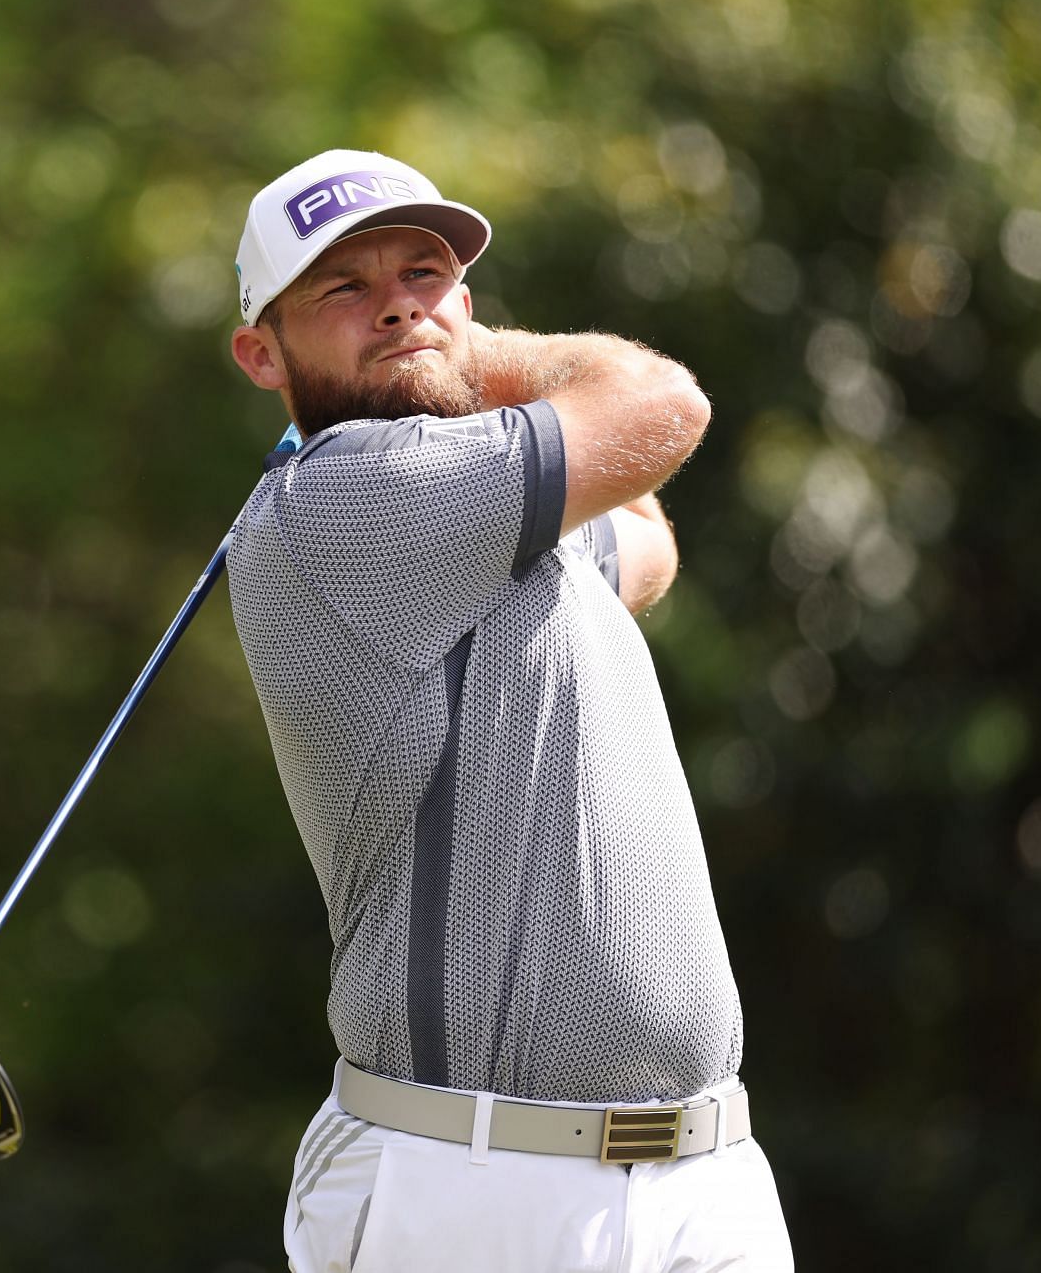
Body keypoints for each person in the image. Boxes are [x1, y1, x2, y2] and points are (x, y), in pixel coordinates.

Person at [223, 150, 794, 1272]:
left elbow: (645, 542)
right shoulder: (344, 495)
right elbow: (662, 408)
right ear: (261, 353)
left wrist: (439, 361)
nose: (395, 300)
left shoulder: (471, 504)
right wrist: (471, 352)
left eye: (424, 273)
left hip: (704, 1176)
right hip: (476, 1190)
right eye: (343, 287)